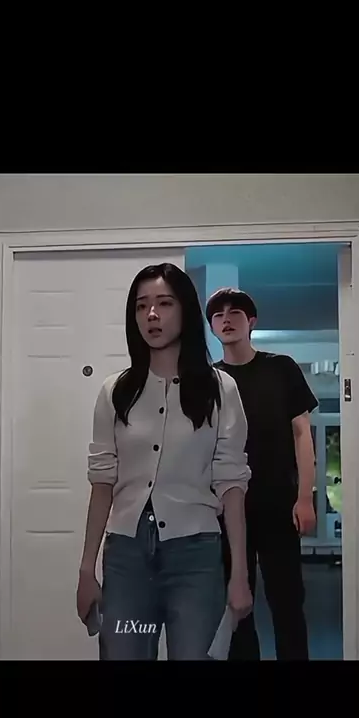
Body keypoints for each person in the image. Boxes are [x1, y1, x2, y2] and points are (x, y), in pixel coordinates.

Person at [76, 263, 252, 660]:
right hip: (126, 558)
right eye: (141, 306)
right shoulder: (115, 391)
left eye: (164, 303)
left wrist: (239, 574)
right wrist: (87, 570)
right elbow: (102, 481)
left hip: (195, 555)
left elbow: (232, 483)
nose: (151, 315)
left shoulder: (220, 389)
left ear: (185, 310)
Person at [206, 287, 318, 661]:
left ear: (251, 321)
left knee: (287, 602)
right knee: (237, 605)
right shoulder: (210, 380)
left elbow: (302, 433)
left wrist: (305, 498)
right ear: (212, 326)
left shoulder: (281, 367)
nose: (226, 319)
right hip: (226, 508)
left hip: (278, 503)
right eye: (218, 315)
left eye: (234, 312)